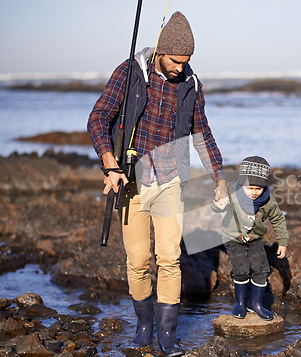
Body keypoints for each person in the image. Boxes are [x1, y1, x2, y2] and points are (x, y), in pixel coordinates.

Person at [87, 11, 228, 356]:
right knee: (137, 260)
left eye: (187, 61)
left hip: (170, 182)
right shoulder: (130, 72)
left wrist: (219, 178)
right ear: (162, 51)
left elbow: (201, 133)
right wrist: (109, 162)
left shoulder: (191, 85)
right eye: (176, 60)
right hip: (131, 182)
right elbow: (99, 118)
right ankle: (143, 327)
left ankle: (166, 336)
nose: (181, 67)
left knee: (170, 259)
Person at [212, 156, 288, 321]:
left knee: (261, 269)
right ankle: (240, 303)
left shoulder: (267, 200)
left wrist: (282, 241)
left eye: (258, 189)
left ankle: (256, 303)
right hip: (233, 237)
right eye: (250, 188)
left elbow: (278, 219)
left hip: (254, 238)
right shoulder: (232, 192)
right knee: (242, 268)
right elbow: (217, 206)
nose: (254, 192)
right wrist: (217, 204)